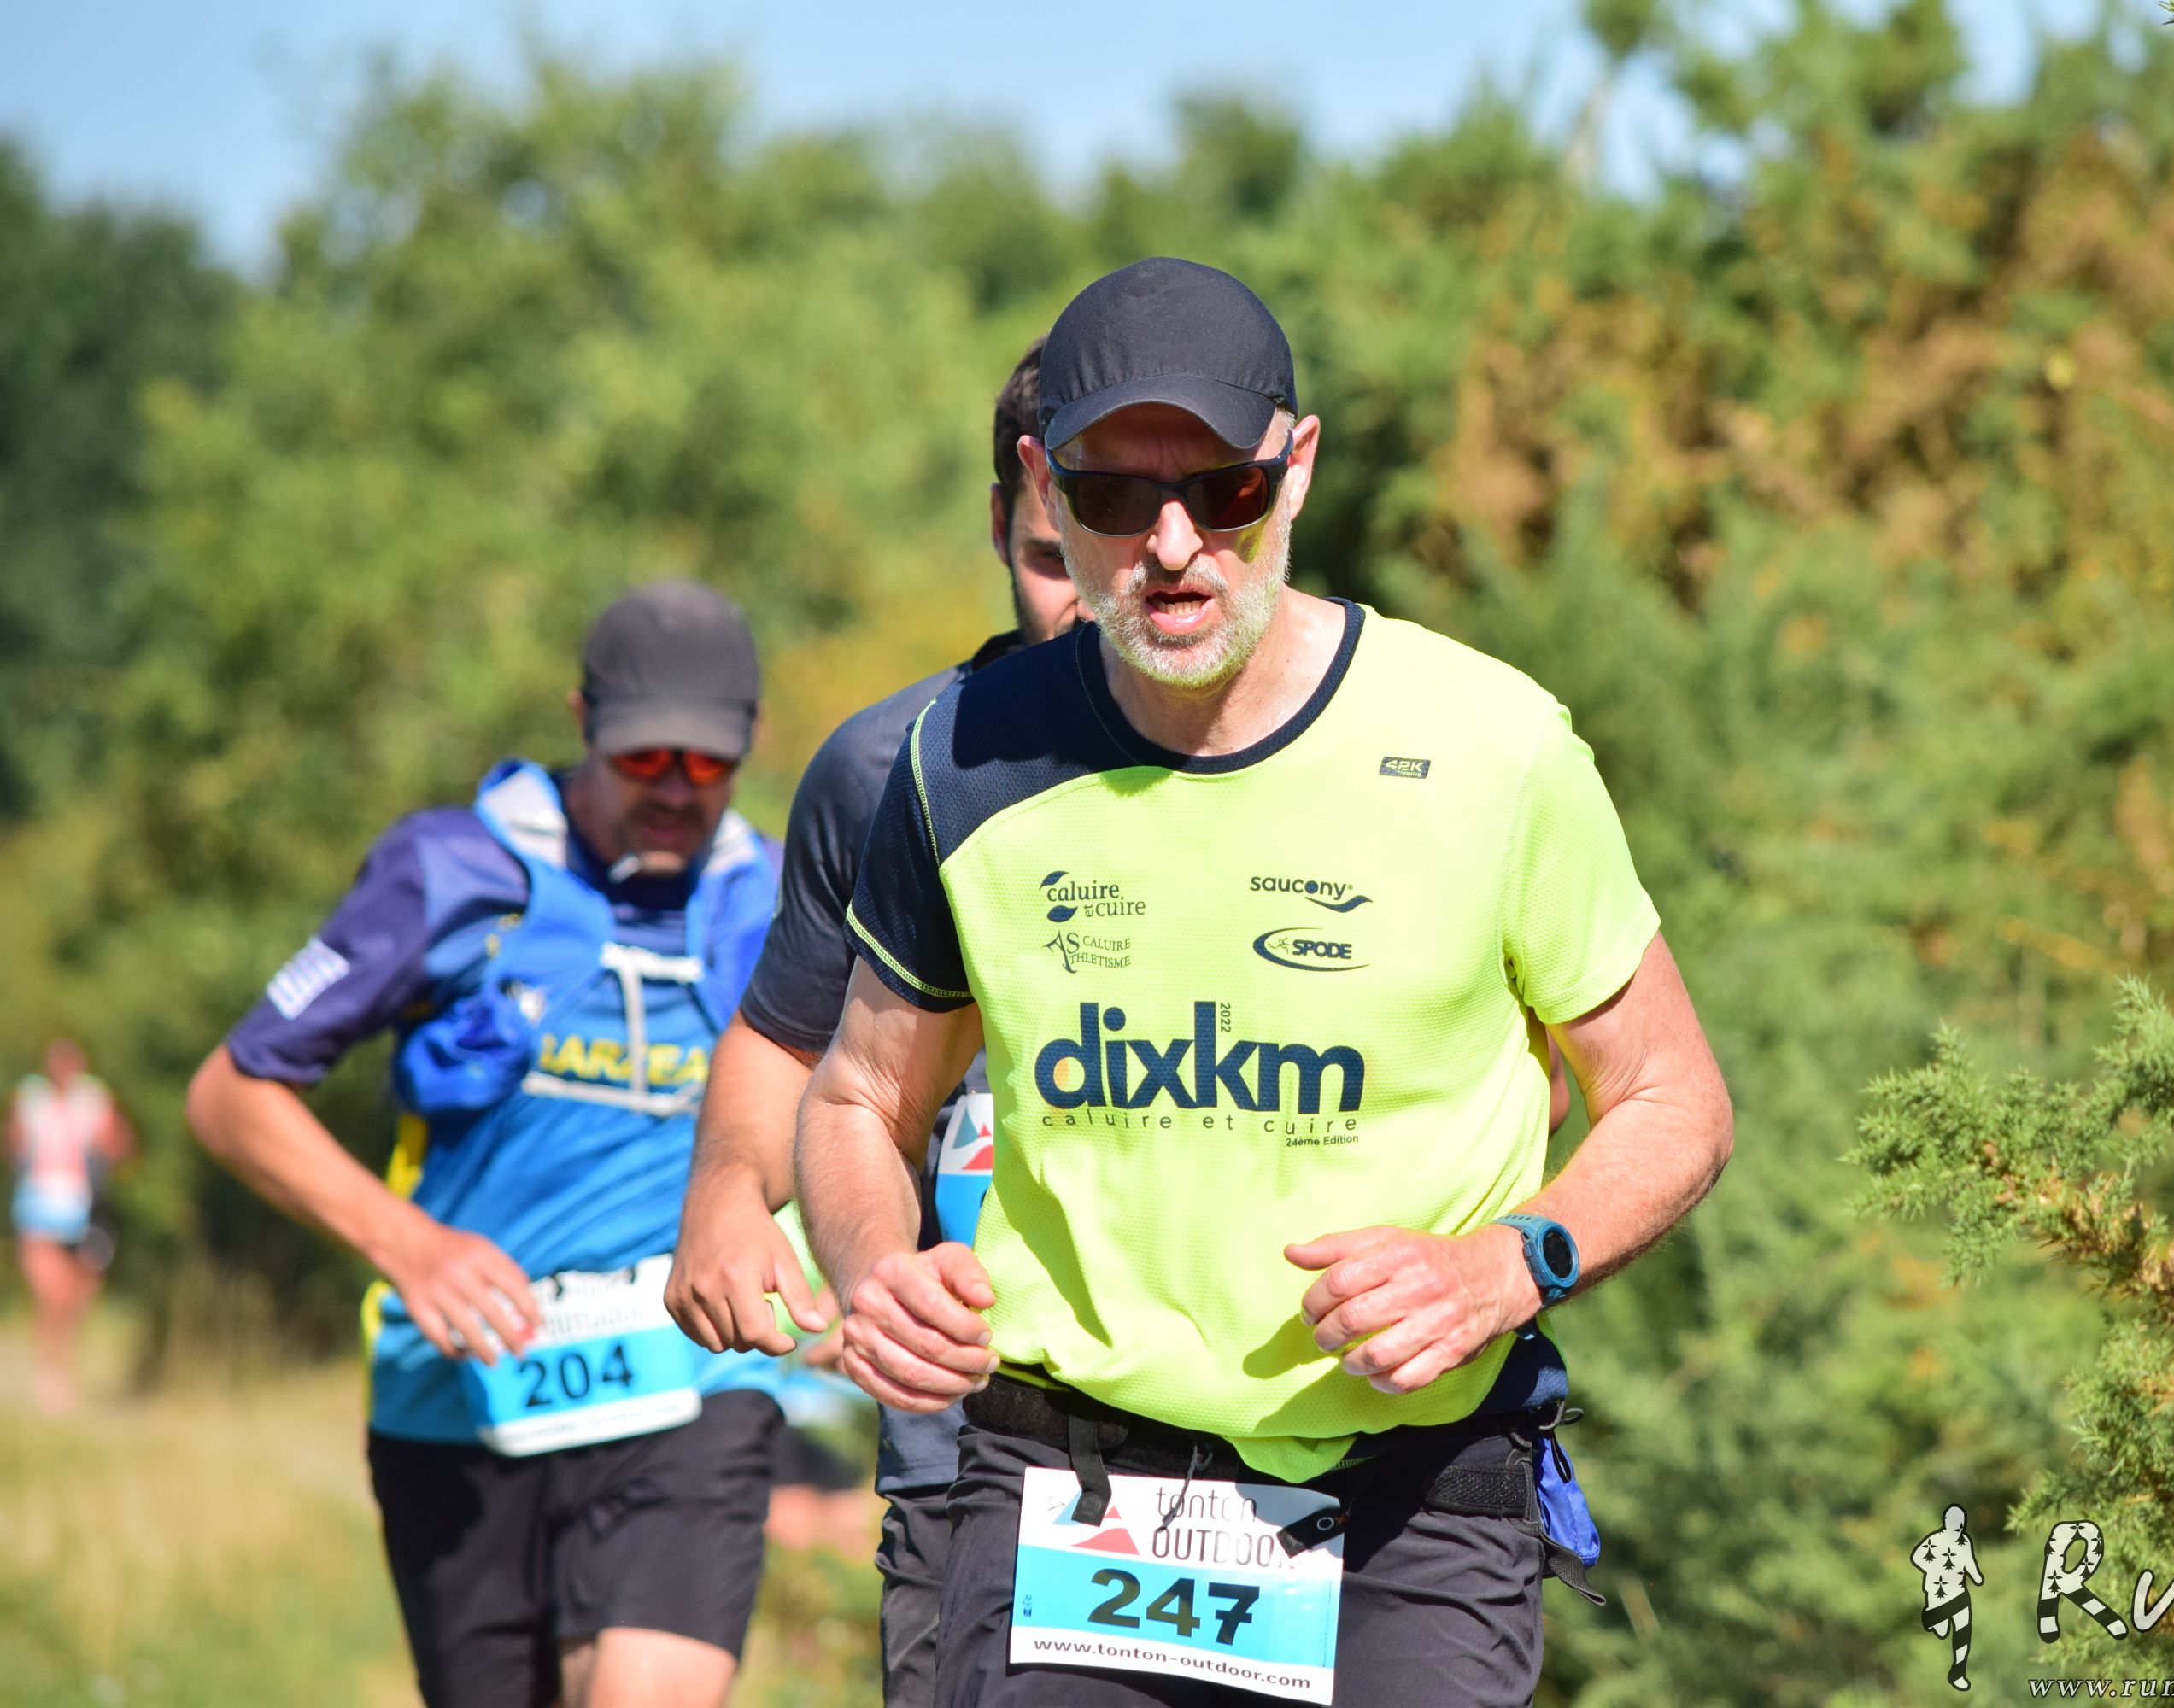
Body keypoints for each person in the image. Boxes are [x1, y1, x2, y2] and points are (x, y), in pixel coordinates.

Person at [797, 256, 1737, 1707]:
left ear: (1295, 470)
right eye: (1114, 494)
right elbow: (858, 1096)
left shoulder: (1493, 749)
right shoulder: (964, 757)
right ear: (1042, 488)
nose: (1171, 546)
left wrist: (1508, 1264)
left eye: (1222, 490)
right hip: (1066, 1480)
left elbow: (1675, 1100)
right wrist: (874, 1267)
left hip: (1410, 1500)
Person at [185, 582, 788, 1708]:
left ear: (750, 740)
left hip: (686, 1385)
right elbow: (232, 1093)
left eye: (707, 761)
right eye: (643, 756)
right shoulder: (451, 871)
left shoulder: (779, 895)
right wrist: (409, 1247)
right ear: (582, 721)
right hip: (460, 1393)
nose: (675, 788)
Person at [664, 336, 1089, 1707]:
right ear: (1001, 518)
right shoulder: (889, 766)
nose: (1088, 606)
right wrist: (726, 1193)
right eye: (1053, 558)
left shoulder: (1317, 757)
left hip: (1269, 1443)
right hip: (962, 1441)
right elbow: (783, 1042)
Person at [10, 1038, 134, 1413]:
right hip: (39, 1206)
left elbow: (120, 1146)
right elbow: (14, 1146)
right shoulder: (30, 1099)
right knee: (49, 1293)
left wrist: (104, 1145)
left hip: (85, 1209)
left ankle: (62, 1369)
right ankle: (49, 1375)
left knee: (77, 1297)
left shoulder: (94, 1100)